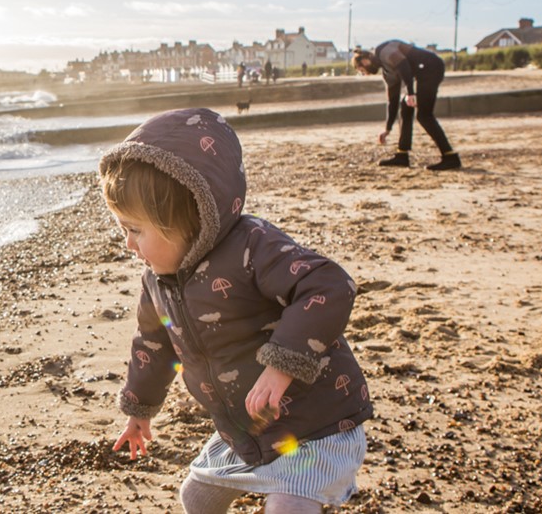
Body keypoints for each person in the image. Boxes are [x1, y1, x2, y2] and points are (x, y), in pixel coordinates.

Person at [99, 108, 373, 513]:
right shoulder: (156, 281)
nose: (128, 244)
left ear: (190, 219)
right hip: (245, 430)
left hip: (317, 422)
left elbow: (329, 285)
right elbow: (154, 345)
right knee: (196, 497)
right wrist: (140, 410)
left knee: (288, 505)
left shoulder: (251, 246)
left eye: (135, 230)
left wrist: (281, 366)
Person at [352, 41, 461, 170]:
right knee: (405, 108)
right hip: (422, 74)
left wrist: (410, 93)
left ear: (365, 61)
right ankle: (402, 155)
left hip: (432, 67)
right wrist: (387, 128)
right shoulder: (387, 73)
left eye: (362, 70)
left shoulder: (383, 51)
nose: (366, 74)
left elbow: (403, 65)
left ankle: (450, 157)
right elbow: (392, 101)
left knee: (424, 115)